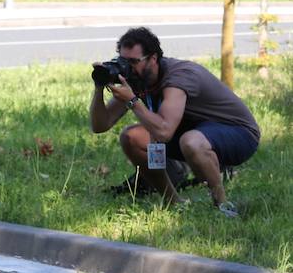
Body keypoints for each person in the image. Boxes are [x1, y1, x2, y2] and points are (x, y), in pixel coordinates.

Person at [89, 27, 260, 217]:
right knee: (131, 137)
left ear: (153, 58)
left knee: (191, 141)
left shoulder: (178, 77)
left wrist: (132, 101)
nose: (127, 68)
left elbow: (164, 132)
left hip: (238, 134)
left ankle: (222, 205)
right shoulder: (138, 78)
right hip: (192, 131)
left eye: (133, 62)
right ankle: (173, 201)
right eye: (122, 61)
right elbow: (100, 125)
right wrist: (99, 87)